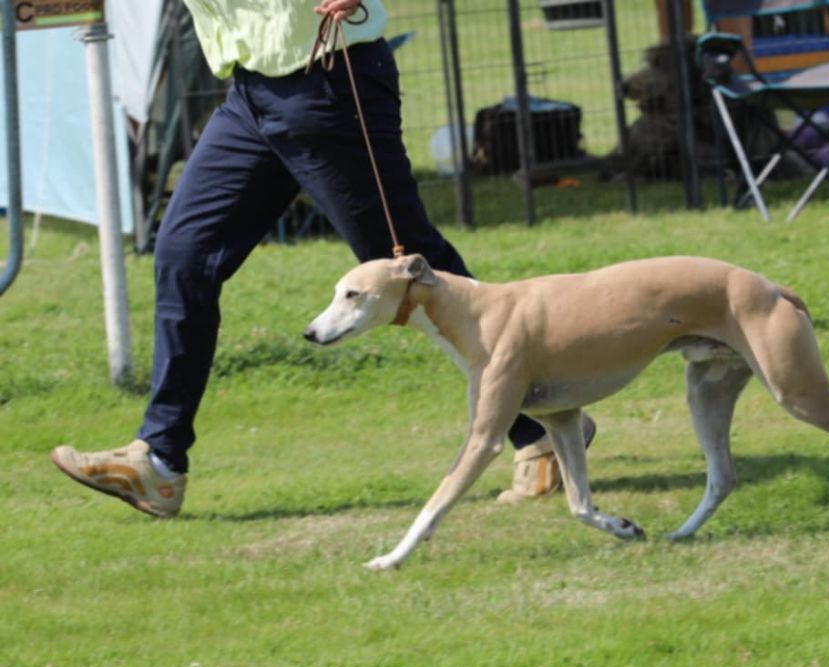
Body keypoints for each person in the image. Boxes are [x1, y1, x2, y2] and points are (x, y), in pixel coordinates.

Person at [50, 0, 594, 517]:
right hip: (250, 95)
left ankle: (542, 427)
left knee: (411, 272)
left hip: (333, 78)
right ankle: (159, 462)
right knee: (183, 254)